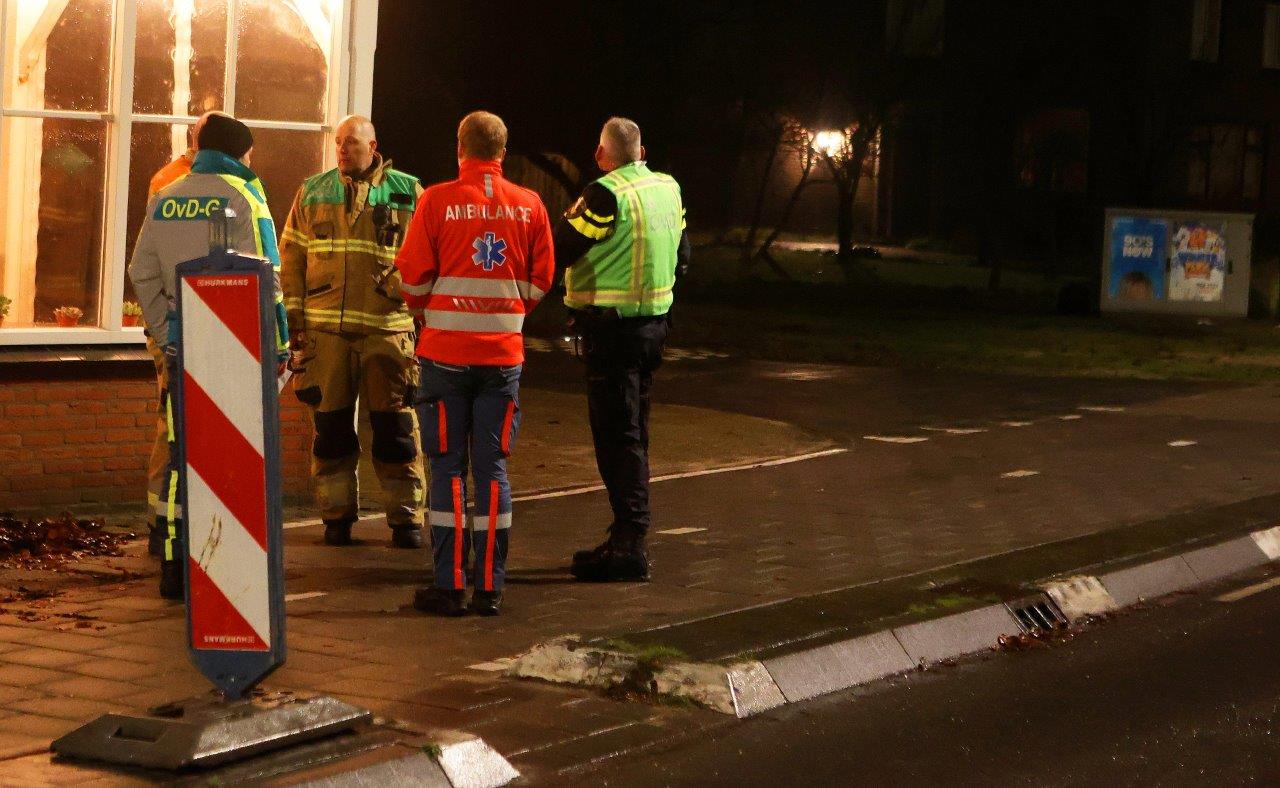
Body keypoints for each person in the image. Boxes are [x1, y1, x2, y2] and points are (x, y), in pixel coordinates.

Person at [394, 111, 554, 616]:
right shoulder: (530, 206)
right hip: (502, 359)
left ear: (459, 148)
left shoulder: (436, 201)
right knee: (493, 469)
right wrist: (504, 313)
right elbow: (539, 282)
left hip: (444, 359)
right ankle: (489, 587)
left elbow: (413, 282)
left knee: (446, 470)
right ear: (502, 153)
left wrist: (438, 309)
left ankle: (448, 585)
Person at [129, 114, 289, 599]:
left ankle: (174, 567)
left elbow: (141, 271)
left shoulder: (167, 196)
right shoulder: (245, 197)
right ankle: (226, 565)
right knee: (230, 454)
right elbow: (267, 279)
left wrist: (166, 331)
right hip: (233, 349)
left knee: (181, 456)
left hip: (183, 346)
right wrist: (278, 344)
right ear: (240, 153)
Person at [279, 116, 426, 548]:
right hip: (327, 335)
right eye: (338, 142)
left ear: (374, 145)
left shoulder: (406, 190)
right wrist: (295, 321)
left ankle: (405, 520)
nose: (342, 150)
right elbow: (292, 257)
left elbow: (424, 255)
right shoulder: (312, 190)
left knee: (396, 430)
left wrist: (403, 294)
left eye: (352, 143)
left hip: (388, 330)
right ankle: (336, 517)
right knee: (332, 430)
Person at [553, 117, 690, 583]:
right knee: (636, 431)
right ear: (642, 150)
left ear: (601, 154)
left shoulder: (603, 195)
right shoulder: (666, 189)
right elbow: (684, 254)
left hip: (611, 333)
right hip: (653, 327)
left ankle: (630, 542)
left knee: (617, 437)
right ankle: (626, 535)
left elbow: (561, 247)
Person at [142, 110, 220, 557]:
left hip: (183, 327)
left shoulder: (168, 183)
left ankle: (169, 521)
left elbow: (144, 267)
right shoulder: (178, 183)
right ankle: (163, 523)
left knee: (174, 425)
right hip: (190, 328)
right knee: (173, 427)